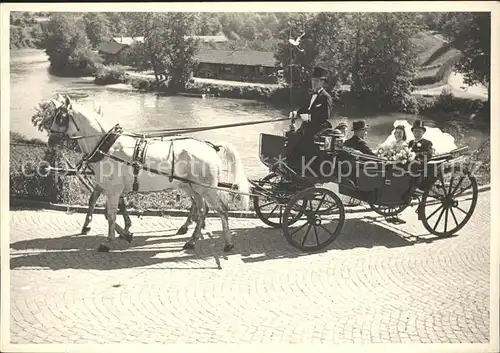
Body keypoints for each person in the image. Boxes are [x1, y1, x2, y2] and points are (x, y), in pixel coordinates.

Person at [284, 65, 333, 170]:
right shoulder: (312, 95)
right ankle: (290, 168)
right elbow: (305, 108)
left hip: (317, 131)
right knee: (290, 140)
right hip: (305, 129)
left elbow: (325, 115)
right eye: (313, 81)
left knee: (301, 146)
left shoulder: (326, 97)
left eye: (316, 81)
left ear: (322, 82)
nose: (314, 83)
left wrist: (310, 117)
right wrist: (296, 113)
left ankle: (302, 170)